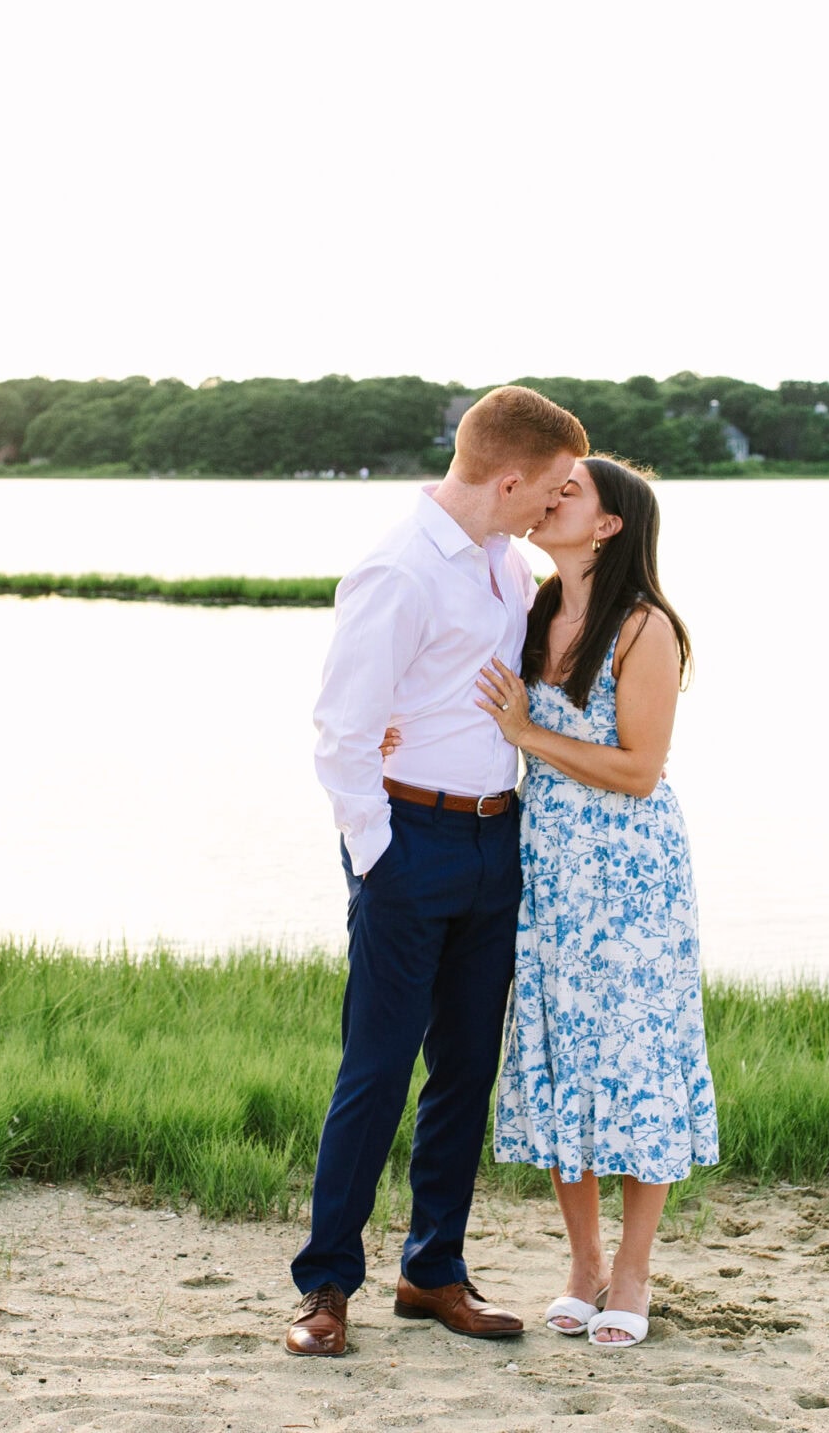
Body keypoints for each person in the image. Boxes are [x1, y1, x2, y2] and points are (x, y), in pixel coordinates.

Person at [287, 385, 590, 1359]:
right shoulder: (399, 571)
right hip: (407, 844)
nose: (552, 509)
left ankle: (432, 1271)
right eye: (546, 493)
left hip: (494, 842)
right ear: (507, 480)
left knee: (465, 1070)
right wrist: (378, 858)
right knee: (374, 1074)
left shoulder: (504, 561)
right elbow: (339, 733)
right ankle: (326, 1287)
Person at [476, 454, 717, 1349]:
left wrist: (527, 735)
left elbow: (638, 769)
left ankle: (633, 1271)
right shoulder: (535, 608)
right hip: (548, 867)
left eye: (568, 491)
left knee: (634, 1056)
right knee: (558, 1048)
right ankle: (581, 1264)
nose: (548, 498)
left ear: (608, 525)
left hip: (632, 877)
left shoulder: (643, 626)